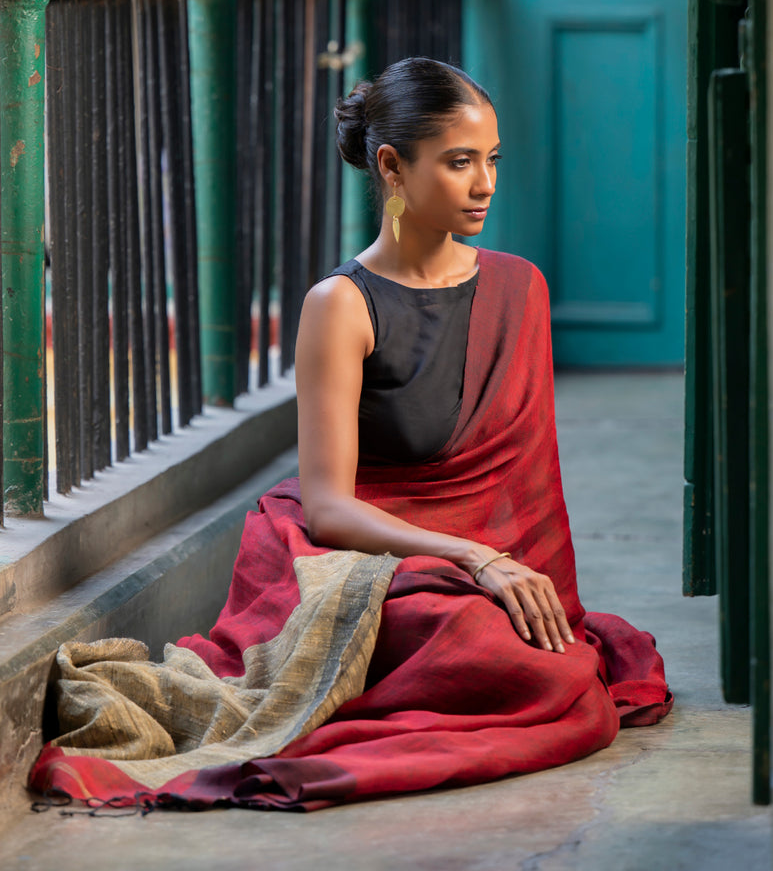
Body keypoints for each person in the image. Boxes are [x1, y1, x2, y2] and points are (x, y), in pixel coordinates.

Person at [30, 58, 672, 813]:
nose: (484, 184)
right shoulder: (340, 304)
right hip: (362, 561)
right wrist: (476, 559)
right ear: (393, 167)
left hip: (476, 564)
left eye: (491, 160)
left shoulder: (516, 288)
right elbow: (329, 506)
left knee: (549, 657)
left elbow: (523, 494)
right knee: (502, 655)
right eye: (459, 162)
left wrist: (502, 566)